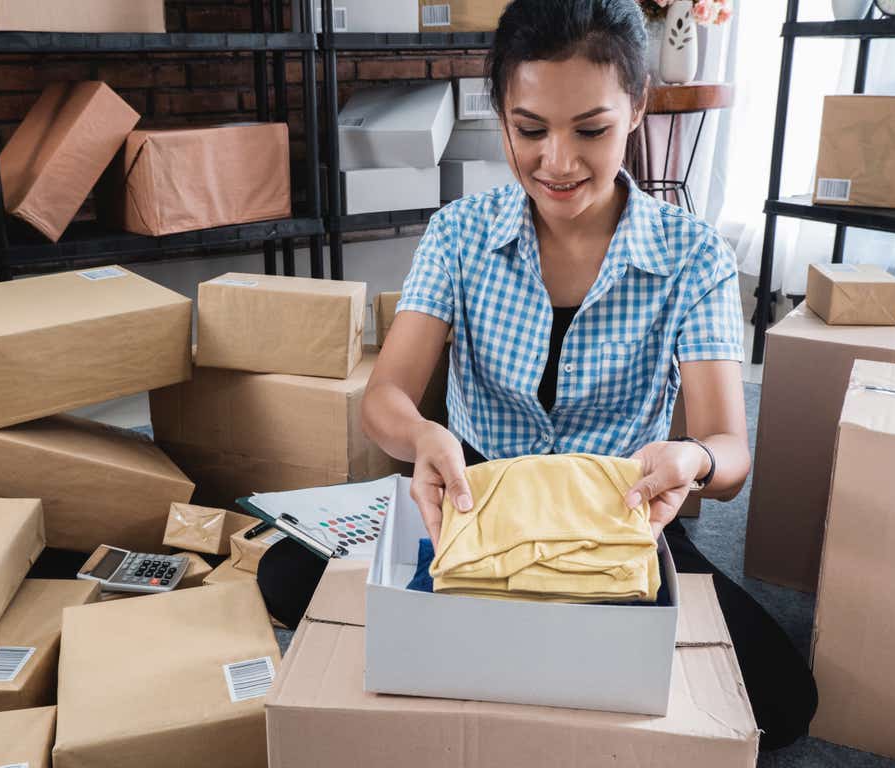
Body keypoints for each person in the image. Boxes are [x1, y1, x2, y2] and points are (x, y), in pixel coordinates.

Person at [356, 0, 817, 751]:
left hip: (617, 507)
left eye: (591, 130)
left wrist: (693, 458)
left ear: (637, 107)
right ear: (499, 112)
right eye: (530, 129)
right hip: (479, 494)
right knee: (285, 575)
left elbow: (729, 451)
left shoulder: (691, 254)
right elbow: (385, 396)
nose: (559, 163)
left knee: (782, 700)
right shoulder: (459, 231)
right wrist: (421, 436)